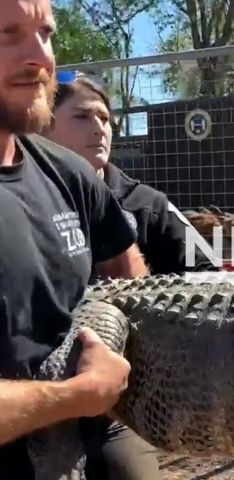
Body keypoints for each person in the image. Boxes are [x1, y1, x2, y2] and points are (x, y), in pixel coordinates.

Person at [0, 0, 150, 478]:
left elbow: (135, 287)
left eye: (45, 33)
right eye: (8, 34)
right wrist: (74, 396)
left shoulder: (67, 173)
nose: (39, 57)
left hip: (95, 434)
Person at [43, 72, 214, 275]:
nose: (100, 129)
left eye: (105, 118)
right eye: (82, 116)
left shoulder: (148, 205)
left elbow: (209, 273)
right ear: (42, 125)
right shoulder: (19, 200)